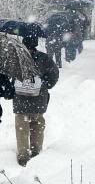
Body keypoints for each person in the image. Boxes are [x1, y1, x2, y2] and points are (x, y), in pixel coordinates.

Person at [13, 34, 60, 167]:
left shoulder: (17, 58)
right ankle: (36, 153)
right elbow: (54, 75)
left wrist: (13, 88)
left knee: (22, 128)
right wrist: (44, 85)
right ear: (35, 44)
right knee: (37, 125)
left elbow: (10, 76)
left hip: (20, 101)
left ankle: (23, 156)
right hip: (38, 100)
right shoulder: (44, 59)